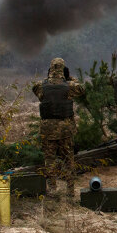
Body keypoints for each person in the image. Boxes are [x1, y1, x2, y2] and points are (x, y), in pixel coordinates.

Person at [32, 58, 85, 197]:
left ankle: (52, 189)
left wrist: (49, 79)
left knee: (49, 159)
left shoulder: (40, 86)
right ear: (63, 69)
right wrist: (69, 78)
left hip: (48, 129)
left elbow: (37, 90)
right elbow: (82, 88)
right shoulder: (69, 86)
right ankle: (70, 190)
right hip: (65, 129)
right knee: (68, 159)